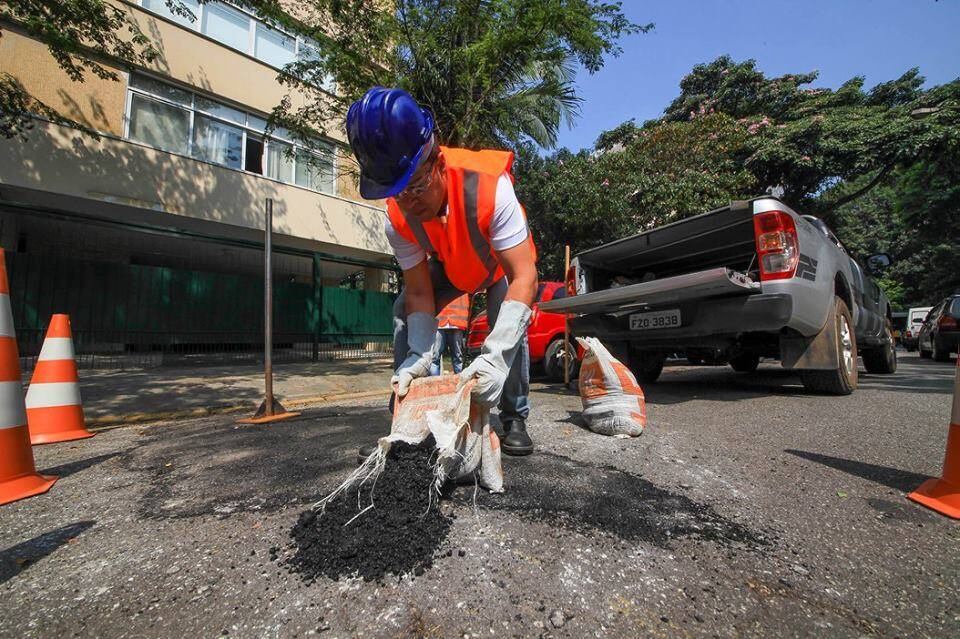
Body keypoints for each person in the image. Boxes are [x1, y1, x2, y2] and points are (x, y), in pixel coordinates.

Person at [347, 87, 537, 457]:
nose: (409, 202)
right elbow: (419, 292)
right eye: (398, 192)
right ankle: (408, 418)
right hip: (452, 268)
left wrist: (495, 357)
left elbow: (524, 276)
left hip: (496, 267)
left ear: (437, 159)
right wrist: (420, 351)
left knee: (509, 323)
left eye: (415, 186)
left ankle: (514, 415)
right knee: (404, 309)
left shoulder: (489, 186)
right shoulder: (398, 217)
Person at [431, 294, 470, 375]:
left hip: (455, 322)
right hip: (441, 322)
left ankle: (460, 382)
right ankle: (434, 383)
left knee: (456, 357)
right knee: (435, 358)